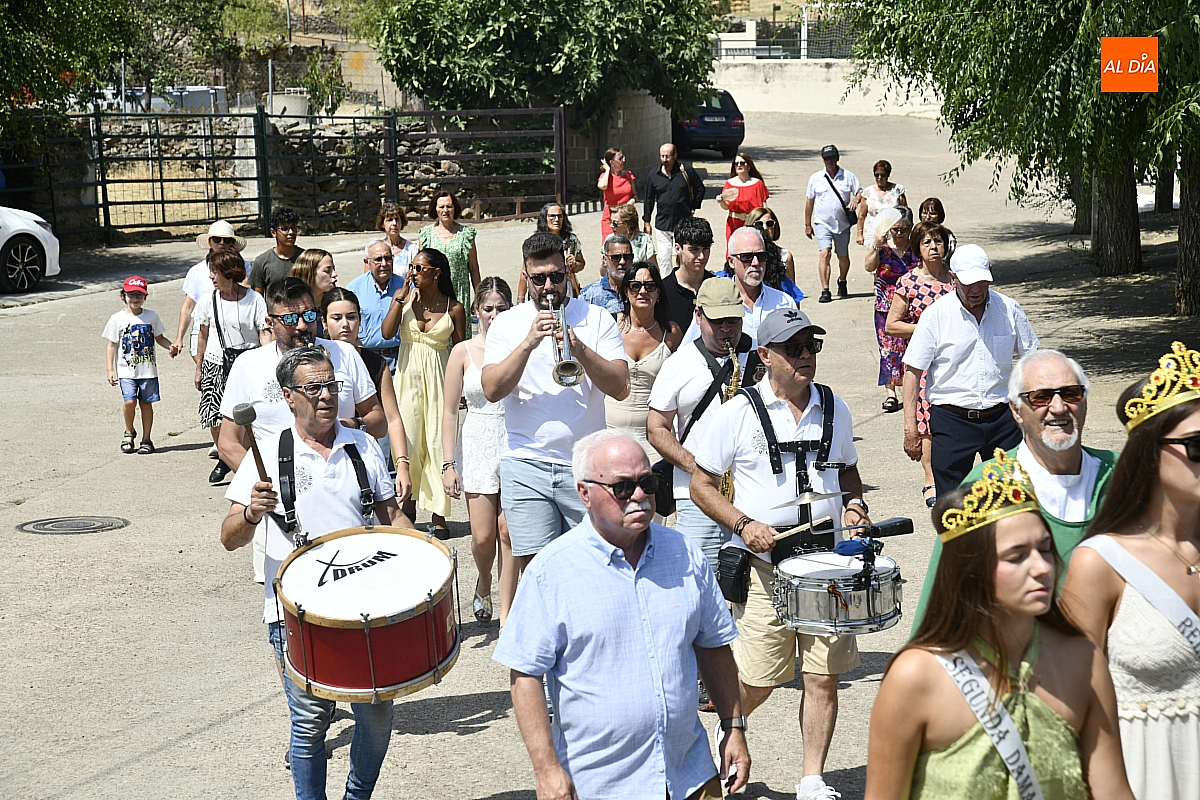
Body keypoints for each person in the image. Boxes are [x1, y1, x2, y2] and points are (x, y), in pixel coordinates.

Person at [493, 429, 750, 800]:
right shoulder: (551, 572)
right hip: (601, 786)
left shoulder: (685, 554)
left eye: (648, 483)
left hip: (689, 776)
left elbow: (713, 647)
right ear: (584, 493)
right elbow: (525, 675)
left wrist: (733, 726)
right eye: (623, 487)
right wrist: (546, 769)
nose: (640, 496)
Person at [865, 455, 1134, 800]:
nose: (1042, 567)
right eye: (1017, 556)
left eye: (1045, 549)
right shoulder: (916, 676)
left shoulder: (1083, 661)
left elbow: (1113, 791)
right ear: (971, 569)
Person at [690, 308, 869, 800]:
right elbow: (702, 485)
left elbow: (848, 471)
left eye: (812, 346)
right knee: (760, 678)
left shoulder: (835, 407)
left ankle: (812, 778)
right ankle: (724, 731)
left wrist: (855, 505)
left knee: (823, 675)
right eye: (794, 348)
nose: (806, 355)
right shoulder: (738, 412)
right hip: (764, 568)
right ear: (766, 355)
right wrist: (743, 525)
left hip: (827, 566)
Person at [219, 346, 412, 800]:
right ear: (288, 396)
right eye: (313, 388)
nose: (326, 396)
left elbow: (391, 517)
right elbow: (229, 537)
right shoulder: (267, 452)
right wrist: (250, 513)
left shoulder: (362, 444)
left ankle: (357, 796)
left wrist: (427, 556)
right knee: (309, 721)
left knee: (377, 717)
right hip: (294, 610)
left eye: (331, 386)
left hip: (363, 606)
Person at [1062, 343, 1200, 800]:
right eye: (1198, 445)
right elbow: (1068, 706)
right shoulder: (1100, 563)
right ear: (1150, 453)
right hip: (1144, 779)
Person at [910, 349, 1118, 631]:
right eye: (1041, 397)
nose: (1059, 407)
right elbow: (943, 599)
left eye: (1071, 394)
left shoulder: (1122, 474)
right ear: (1016, 411)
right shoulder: (987, 484)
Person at [218, 277, 386, 583]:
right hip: (278, 515)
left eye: (309, 315)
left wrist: (352, 426)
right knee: (284, 593)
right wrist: (267, 483)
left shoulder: (345, 354)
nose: (302, 326)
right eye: (290, 319)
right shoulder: (248, 365)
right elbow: (228, 442)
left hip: (345, 496)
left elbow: (378, 419)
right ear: (269, 321)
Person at [482, 231, 629, 565]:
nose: (549, 287)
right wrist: (528, 343)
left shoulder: (597, 318)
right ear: (525, 275)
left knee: (595, 564)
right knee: (539, 571)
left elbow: (621, 388)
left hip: (587, 466)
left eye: (556, 276)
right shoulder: (507, 324)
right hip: (526, 463)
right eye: (539, 279)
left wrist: (579, 349)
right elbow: (491, 390)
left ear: (567, 270)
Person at [902, 244, 1039, 496]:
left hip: (1002, 418)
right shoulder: (935, 316)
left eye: (981, 281)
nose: (975, 290)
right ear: (953, 278)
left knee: (1013, 498)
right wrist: (911, 428)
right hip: (952, 419)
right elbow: (912, 372)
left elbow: (1034, 361)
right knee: (953, 503)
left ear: (990, 273)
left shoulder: (1009, 309)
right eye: (968, 283)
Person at [647, 277, 750, 571]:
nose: (726, 329)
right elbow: (656, 428)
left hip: (752, 492)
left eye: (733, 320)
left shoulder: (760, 356)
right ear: (698, 315)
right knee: (699, 580)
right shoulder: (678, 364)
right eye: (717, 321)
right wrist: (698, 468)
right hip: (697, 497)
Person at [441, 277, 518, 625]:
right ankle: (484, 579)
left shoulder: (520, 348)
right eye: (488, 308)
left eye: (502, 308)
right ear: (476, 310)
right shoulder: (463, 352)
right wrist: (448, 464)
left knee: (508, 531)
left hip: (514, 441)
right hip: (477, 441)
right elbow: (448, 411)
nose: (495, 315)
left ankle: (507, 612)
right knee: (484, 535)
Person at [380, 248, 466, 535]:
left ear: (436, 273)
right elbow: (387, 333)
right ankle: (409, 504)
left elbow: (460, 349)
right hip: (407, 380)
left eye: (419, 268)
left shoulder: (454, 308)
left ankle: (439, 513)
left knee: (438, 443)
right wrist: (399, 299)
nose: (413, 273)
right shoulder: (404, 298)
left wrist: (461, 388)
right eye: (412, 267)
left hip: (440, 381)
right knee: (409, 440)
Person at [320, 286, 413, 505]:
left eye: (351, 317)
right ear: (324, 322)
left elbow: (393, 418)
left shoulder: (375, 363)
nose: (345, 324)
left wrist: (402, 465)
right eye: (336, 318)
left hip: (366, 452)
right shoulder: (314, 363)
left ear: (360, 320)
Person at [887, 220, 956, 507]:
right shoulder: (909, 282)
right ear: (918, 248)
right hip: (923, 363)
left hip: (955, 359)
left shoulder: (955, 279)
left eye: (938, 241)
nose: (933, 247)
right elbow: (892, 325)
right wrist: (925, 329)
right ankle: (930, 479)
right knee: (926, 419)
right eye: (927, 242)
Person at [170, 220, 251, 460]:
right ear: (209, 242)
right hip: (205, 332)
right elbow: (188, 307)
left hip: (238, 336)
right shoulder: (197, 272)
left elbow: (247, 298)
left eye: (227, 240)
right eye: (217, 239)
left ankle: (234, 440)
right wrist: (179, 337)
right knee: (212, 387)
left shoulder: (245, 267)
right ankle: (222, 440)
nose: (222, 243)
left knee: (237, 390)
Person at [193, 249, 271, 484]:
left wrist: (267, 362)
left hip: (247, 365)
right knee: (214, 417)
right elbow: (202, 335)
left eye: (215, 271)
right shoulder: (208, 300)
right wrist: (199, 367)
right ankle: (225, 455)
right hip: (216, 365)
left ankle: (237, 462)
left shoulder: (254, 299)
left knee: (245, 418)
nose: (211, 276)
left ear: (229, 273)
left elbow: (264, 332)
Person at [605, 261, 683, 461]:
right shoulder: (610, 326)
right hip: (609, 436)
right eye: (635, 286)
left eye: (650, 286)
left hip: (654, 440)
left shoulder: (671, 333)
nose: (642, 291)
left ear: (658, 292)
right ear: (625, 291)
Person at [683, 226, 796, 348]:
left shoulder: (784, 303)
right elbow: (688, 350)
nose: (755, 263)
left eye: (761, 256)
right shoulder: (712, 302)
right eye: (747, 257)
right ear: (731, 262)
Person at [103, 275, 172, 455]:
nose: (135, 298)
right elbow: (111, 345)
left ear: (145, 297)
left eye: (139, 295)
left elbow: (159, 338)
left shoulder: (151, 316)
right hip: (126, 371)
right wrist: (110, 370)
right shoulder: (117, 318)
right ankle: (129, 432)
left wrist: (171, 347)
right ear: (123, 296)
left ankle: (146, 439)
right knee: (129, 401)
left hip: (148, 371)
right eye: (131, 294)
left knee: (146, 404)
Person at [864, 206, 917, 413]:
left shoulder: (916, 248)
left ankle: (914, 389)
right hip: (885, 305)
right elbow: (869, 267)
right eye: (895, 229)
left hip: (912, 305)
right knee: (888, 349)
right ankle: (891, 394)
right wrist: (875, 247)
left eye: (904, 229)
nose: (899, 233)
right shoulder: (883, 249)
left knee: (912, 348)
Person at [804, 145, 861, 304]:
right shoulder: (815, 178)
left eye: (832, 158)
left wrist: (855, 201)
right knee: (825, 253)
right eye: (826, 158)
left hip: (842, 224)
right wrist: (807, 224)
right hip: (823, 222)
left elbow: (859, 192)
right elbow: (809, 202)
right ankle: (825, 290)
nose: (829, 161)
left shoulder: (848, 176)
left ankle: (842, 280)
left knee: (843, 257)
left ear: (837, 158)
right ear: (823, 160)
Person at [643, 143, 704, 273]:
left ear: (675, 156)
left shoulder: (685, 171)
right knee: (664, 258)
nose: (665, 159)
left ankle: (683, 280)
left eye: (668, 156)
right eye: (662, 156)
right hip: (662, 224)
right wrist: (646, 221)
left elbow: (699, 188)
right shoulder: (654, 174)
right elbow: (648, 199)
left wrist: (693, 206)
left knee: (683, 257)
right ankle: (667, 282)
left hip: (683, 223)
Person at [346, 240, 406, 372]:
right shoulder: (354, 289)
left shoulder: (405, 287)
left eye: (388, 258)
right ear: (367, 262)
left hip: (400, 359)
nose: (384, 264)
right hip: (366, 358)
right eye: (378, 259)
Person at [419, 190, 480, 316]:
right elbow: (420, 269)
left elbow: (474, 268)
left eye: (449, 206)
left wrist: (479, 297)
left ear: (454, 208)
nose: (445, 210)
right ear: (435, 209)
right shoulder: (426, 235)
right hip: (434, 295)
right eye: (441, 207)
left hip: (460, 294)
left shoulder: (466, 235)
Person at [518, 203, 586, 299]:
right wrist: (520, 298)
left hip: (566, 290)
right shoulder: (537, 241)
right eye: (552, 216)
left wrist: (574, 265)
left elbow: (581, 264)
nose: (557, 219)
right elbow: (525, 270)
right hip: (540, 288)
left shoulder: (571, 240)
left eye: (559, 216)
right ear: (544, 218)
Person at [661, 217, 716, 333]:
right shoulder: (662, 292)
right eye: (694, 249)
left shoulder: (717, 287)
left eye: (705, 249)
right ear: (677, 249)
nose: (701, 256)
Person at [746, 206, 802, 303]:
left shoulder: (785, 256)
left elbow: (792, 294)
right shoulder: (742, 256)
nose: (765, 228)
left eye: (769, 224)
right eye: (759, 224)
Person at [719, 153, 770, 255]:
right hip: (734, 223)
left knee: (754, 250)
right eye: (736, 163)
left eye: (742, 163)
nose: (739, 165)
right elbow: (726, 207)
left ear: (749, 166)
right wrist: (721, 201)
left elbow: (764, 206)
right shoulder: (729, 183)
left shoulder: (758, 184)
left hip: (753, 223)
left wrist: (765, 222)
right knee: (735, 251)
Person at [248, 206, 304, 294]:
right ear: (273, 232)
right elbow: (257, 297)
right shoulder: (261, 262)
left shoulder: (306, 258)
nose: (291, 232)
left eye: (293, 228)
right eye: (284, 229)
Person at [855, 159, 907, 248]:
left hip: (893, 233)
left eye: (883, 175)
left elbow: (905, 213)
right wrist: (860, 234)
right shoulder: (868, 192)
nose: (879, 178)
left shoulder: (897, 190)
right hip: (873, 233)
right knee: (874, 256)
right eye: (876, 175)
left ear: (888, 175)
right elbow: (862, 216)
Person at [579, 233, 633, 315]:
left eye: (627, 257)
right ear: (605, 260)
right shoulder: (588, 296)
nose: (622, 262)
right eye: (616, 257)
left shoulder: (642, 290)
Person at [598, 148, 638, 241]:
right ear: (612, 162)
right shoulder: (605, 176)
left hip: (627, 215)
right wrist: (607, 170)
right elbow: (602, 186)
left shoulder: (628, 175)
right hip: (611, 216)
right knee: (610, 243)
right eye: (620, 158)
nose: (623, 160)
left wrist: (632, 201)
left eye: (623, 157)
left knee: (632, 243)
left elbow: (635, 195)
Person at [289, 248, 338, 318]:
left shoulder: (338, 304)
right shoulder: (288, 307)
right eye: (327, 271)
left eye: (333, 269)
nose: (335, 274)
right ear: (308, 273)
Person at [376, 200, 419, 276]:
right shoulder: (376, 249)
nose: (394, 223)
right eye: (390, 220)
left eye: (397, 219)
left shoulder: (412, 250)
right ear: (382, 224)